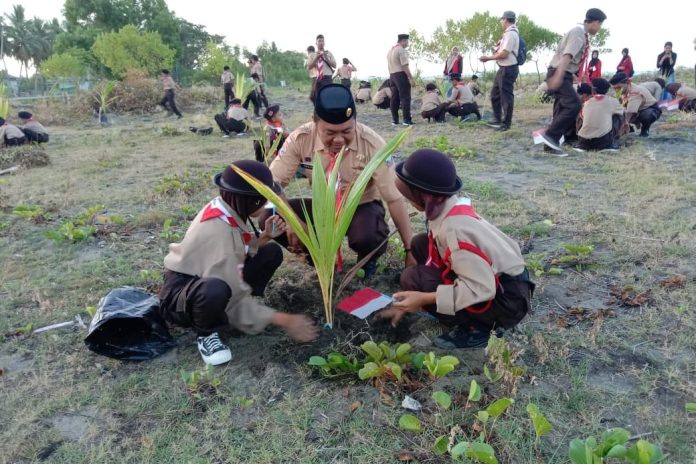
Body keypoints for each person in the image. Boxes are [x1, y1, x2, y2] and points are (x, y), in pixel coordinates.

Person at [159, 161, 319, 365]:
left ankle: (236, 312)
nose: (265, 205)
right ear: (250, 201)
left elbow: (238, 243)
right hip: (181, 297)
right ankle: (206, 333)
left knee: (269, 252)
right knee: (215, 289)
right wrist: (286, 320)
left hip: (208, 275)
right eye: (263, 200)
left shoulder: (226, 208)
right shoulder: (219, 231)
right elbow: (230, 279)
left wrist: (265, 237)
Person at [379, 149, 534, 349]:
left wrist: (423, 298)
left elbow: (481, 288)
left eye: (410, 197)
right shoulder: (447, 205)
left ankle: (477, 328)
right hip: (501, 280)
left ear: (423, 197)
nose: (409, 202)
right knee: (420, 243)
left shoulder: (454, 232)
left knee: (412, 278)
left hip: (506, 301)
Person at [266, 84, 414, 276]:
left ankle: (365, 263)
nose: (338, 140)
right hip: (323, 208)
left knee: (369, 236)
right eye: (329, 133)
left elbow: (394, 199)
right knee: (269, 217)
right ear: (315, 122)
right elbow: (271, 184)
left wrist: (410, 250)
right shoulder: (301, 138)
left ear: (355, 121)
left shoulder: (371, 143)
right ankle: (317, 259)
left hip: (360, 206)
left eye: (346, 131)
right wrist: (294, 223)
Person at [540, 8, 607, 152]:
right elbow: (567, 55)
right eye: (600, 25)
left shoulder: (581, 33)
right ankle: (550, 136)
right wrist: (559, 75)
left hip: (565, 73)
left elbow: (573, 60)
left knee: (562, 107)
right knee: (574, 105)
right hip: (560, 72)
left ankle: (550, 146)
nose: (599, 28)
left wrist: (575, 75)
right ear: (595, 22)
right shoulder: (578, 34)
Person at [480, 11, 520, 131]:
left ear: (506, 20)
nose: (501, 22)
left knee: (506, 97)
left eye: (502, 20)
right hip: (504, 68)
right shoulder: (509, 33)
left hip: (508, 68)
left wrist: (488, 58)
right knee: (495, 95)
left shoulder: (510, 34)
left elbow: (504, 54)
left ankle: (505, 124)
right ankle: (497, 119)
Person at [575, 78, 624, 151]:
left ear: (593, 90)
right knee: (619, 116)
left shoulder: (586, 102)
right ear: (607, 90)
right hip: (603, 142)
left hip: (583, 142)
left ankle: (580, 143)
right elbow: (623, 113)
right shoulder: (613, 101)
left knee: (581, 116)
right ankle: (612, 142)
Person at [610, 72, 662, 137]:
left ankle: (645, 129)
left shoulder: (635, 92)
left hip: (650, 109)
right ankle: (630, 129)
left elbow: (630, 113)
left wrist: (624, 124)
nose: (616, 90)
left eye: (618, 87)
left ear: (628, 82)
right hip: (636, 110)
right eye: (614, 88)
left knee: (646, 115)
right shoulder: (623, 90)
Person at [388, 33, 415, 126]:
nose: (407, 43)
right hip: (400, 75)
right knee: (405, 98)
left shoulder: (390, 50)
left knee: (394, 98)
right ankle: (406, 120)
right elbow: (404, 66)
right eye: (407, 41)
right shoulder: (401, 50)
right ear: (403, 41)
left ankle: (395, 120)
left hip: (392, 75)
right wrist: (411, 78)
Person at [306, 35, 336, 102]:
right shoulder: (312, 55)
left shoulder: (329, 53)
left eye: (322, 41)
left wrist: (326, 58)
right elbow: (309, 67)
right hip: (317, 79)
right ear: (316, 43)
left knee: (328, 98)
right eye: (319, 41)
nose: (321, 43)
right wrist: (316, 58)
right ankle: (317, 112)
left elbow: (335, 65)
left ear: (324, 43)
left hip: (327, 78)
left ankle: (327, 111)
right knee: (317, 98)